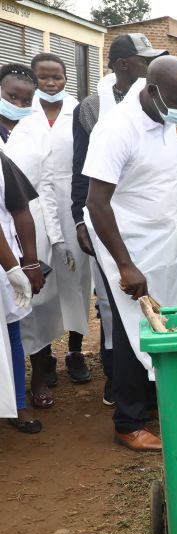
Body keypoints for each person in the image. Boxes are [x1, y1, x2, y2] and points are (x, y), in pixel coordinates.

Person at [84, 56, 177, 451]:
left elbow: (173, 177)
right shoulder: (117, 128)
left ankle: (152, 400)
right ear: (151, 91)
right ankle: (128, 421)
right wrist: (125, 264)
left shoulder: (173, 117)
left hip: (164, 234)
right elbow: (97, 203)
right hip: (124, 237)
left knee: (168, 317)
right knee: (135, 324)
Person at [72, 33, 167, 406]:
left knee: (148, 305)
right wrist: (79, 219)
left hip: (152, 227)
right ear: (124, 64)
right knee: (114, 306)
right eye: (145, 60)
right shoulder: (94, 108)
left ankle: (147, 386)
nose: (150, 66)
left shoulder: (159, 101)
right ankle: (117, 381)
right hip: (107, 221)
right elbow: (82, 169)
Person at [0, 63, 65, 410]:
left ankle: (39, 375)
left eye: (26, 101)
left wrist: (55, 237)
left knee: (37, 308)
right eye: (12, 97)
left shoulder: (37, 130)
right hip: (2, 231)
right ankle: (9, 390)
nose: (18, 105)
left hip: (31, 229)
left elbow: (48, 186)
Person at [32, 53, 92, 385]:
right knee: (41, 278)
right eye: (44, 77)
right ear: (34, 79)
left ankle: (75, 351)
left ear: (66, 78)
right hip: (34, 202)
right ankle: (43, 356)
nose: (51, 83)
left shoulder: (78, 110)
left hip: (72, 200)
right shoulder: (24, 110)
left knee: (76, 278)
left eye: (57, 77)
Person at [0, 150, 46, 432]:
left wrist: (29, 263)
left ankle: (17, 404)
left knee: (11, 333)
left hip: (5, 264)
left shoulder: (2, 161)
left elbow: (20, 210)